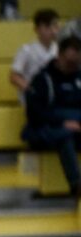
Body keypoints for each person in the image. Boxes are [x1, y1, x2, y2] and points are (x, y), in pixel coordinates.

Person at [21, 35, 81, 202]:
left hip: (76, 126)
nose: (73, 67)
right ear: (59, 56)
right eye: (70, 62)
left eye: (77, 63)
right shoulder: (42, 79)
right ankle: (76, 184)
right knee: (64, 135)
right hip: (44, 129)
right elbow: (34, 114)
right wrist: (63, 123)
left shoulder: (79, 77)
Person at [11, 10, 60, 104]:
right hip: (33, 97)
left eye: (55, 26)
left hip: (55, 95)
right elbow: (14, 77)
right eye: (47, 27)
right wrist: (31, 90)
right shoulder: (26, 50)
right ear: (36, 29)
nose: (53, 31)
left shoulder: (59, 50)